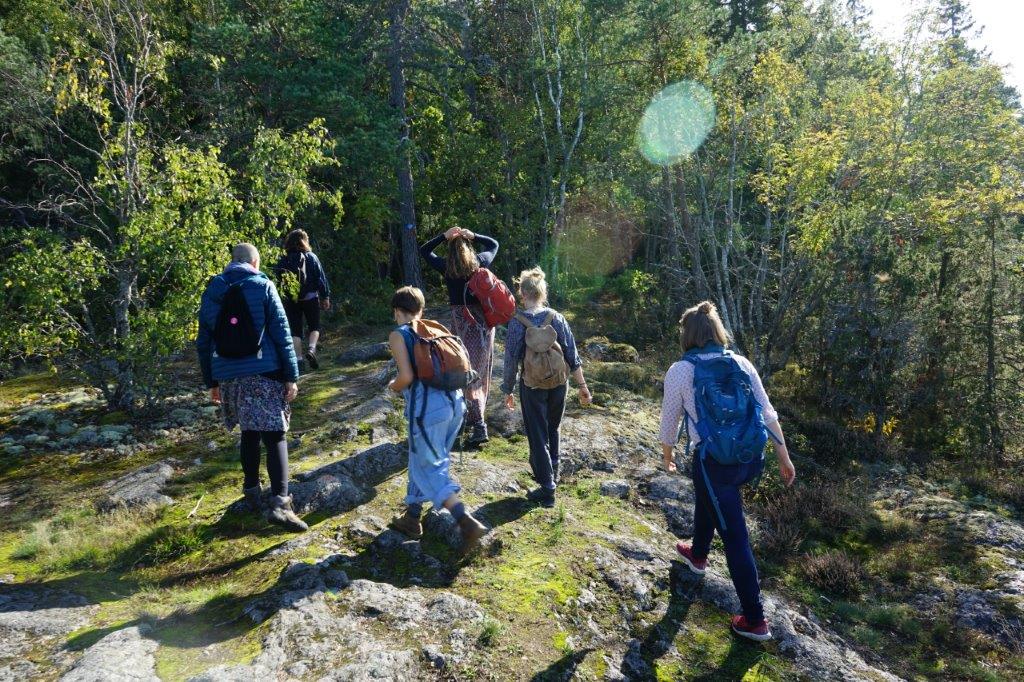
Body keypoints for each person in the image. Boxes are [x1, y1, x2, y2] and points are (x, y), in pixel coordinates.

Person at [659, 301, 796, 641]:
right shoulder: (742, 363)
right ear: (718, 332)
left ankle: (755, 619)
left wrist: (667, 454)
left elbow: (669, 420)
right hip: (750, 459)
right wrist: (784, 457)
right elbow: (768, 414)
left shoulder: (681, 370)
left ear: (688, 335)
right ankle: (699, 554)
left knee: (735, 537)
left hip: (714, 462)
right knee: (710, 497)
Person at [197, 243, 308, 533]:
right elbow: (282, 333)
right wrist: (291, 375)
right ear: (255, 262)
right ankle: (281, 503)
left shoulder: (213, 290)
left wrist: (212, 381)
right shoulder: (263, 285)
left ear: (232, 262)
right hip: (264, 369)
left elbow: (204, 340)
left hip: (229, 374)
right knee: (274, 434)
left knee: (249, 430)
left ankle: (251, 491)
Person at [386, 286, 488, 551]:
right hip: (455, 405)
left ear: (397, 311)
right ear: (420, 310)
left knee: (431, 466)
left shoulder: (399, 335)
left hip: (427, 410)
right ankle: (412, 515)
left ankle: (464, 519)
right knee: (421, 457)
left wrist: (392, 386)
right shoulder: (433, 329)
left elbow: (406, 378)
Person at [502, 267, 591, 508]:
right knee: (554, 428)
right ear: (543, 292)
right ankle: (555, 472)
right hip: (559, 383)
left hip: (532, 386)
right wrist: (583, 386)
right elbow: (572, 354)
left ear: (522, 293)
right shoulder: (557, 317)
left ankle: (547, 487)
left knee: (537, 434)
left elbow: (510, 359)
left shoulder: (517, 322)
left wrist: (507, 389)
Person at [419, 226, 499, 445]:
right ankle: (475, 420)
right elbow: (494, 244)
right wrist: (474, 235)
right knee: (479, 374)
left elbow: (424, 250)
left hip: (461, 328)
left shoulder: (447, 268)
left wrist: (444, 236)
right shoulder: (480, 262)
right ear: (468, 248)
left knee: (464, 372)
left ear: (451, 250)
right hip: (483, 327)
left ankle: (478, 424)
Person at [275, 229, 331, 371]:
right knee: (314, 327)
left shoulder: (283, 259)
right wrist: (325, 296)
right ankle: (311, 349)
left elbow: (277, 279)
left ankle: (299, 360)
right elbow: (320, 278)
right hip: (311, 297)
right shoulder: (311, 257)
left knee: (295, 331)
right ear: (304, 241)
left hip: (291, 300)